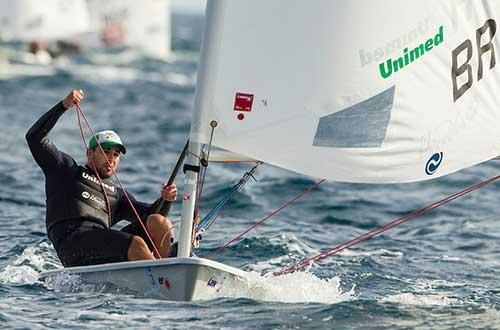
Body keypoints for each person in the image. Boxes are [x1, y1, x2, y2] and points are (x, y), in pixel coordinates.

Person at [26, 89, 177, 267]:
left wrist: (166, 200)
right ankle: (163, 278)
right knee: (135, 243)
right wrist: (63, 106)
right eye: (105, 151)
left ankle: (171, 273)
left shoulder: (117, 194)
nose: (111, 158)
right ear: (89, 153)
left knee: (158, 221)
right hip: (71, 245)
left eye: (115, 154)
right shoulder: (66, 170)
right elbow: (35, 138)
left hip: (100, 248)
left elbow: (152, 216)